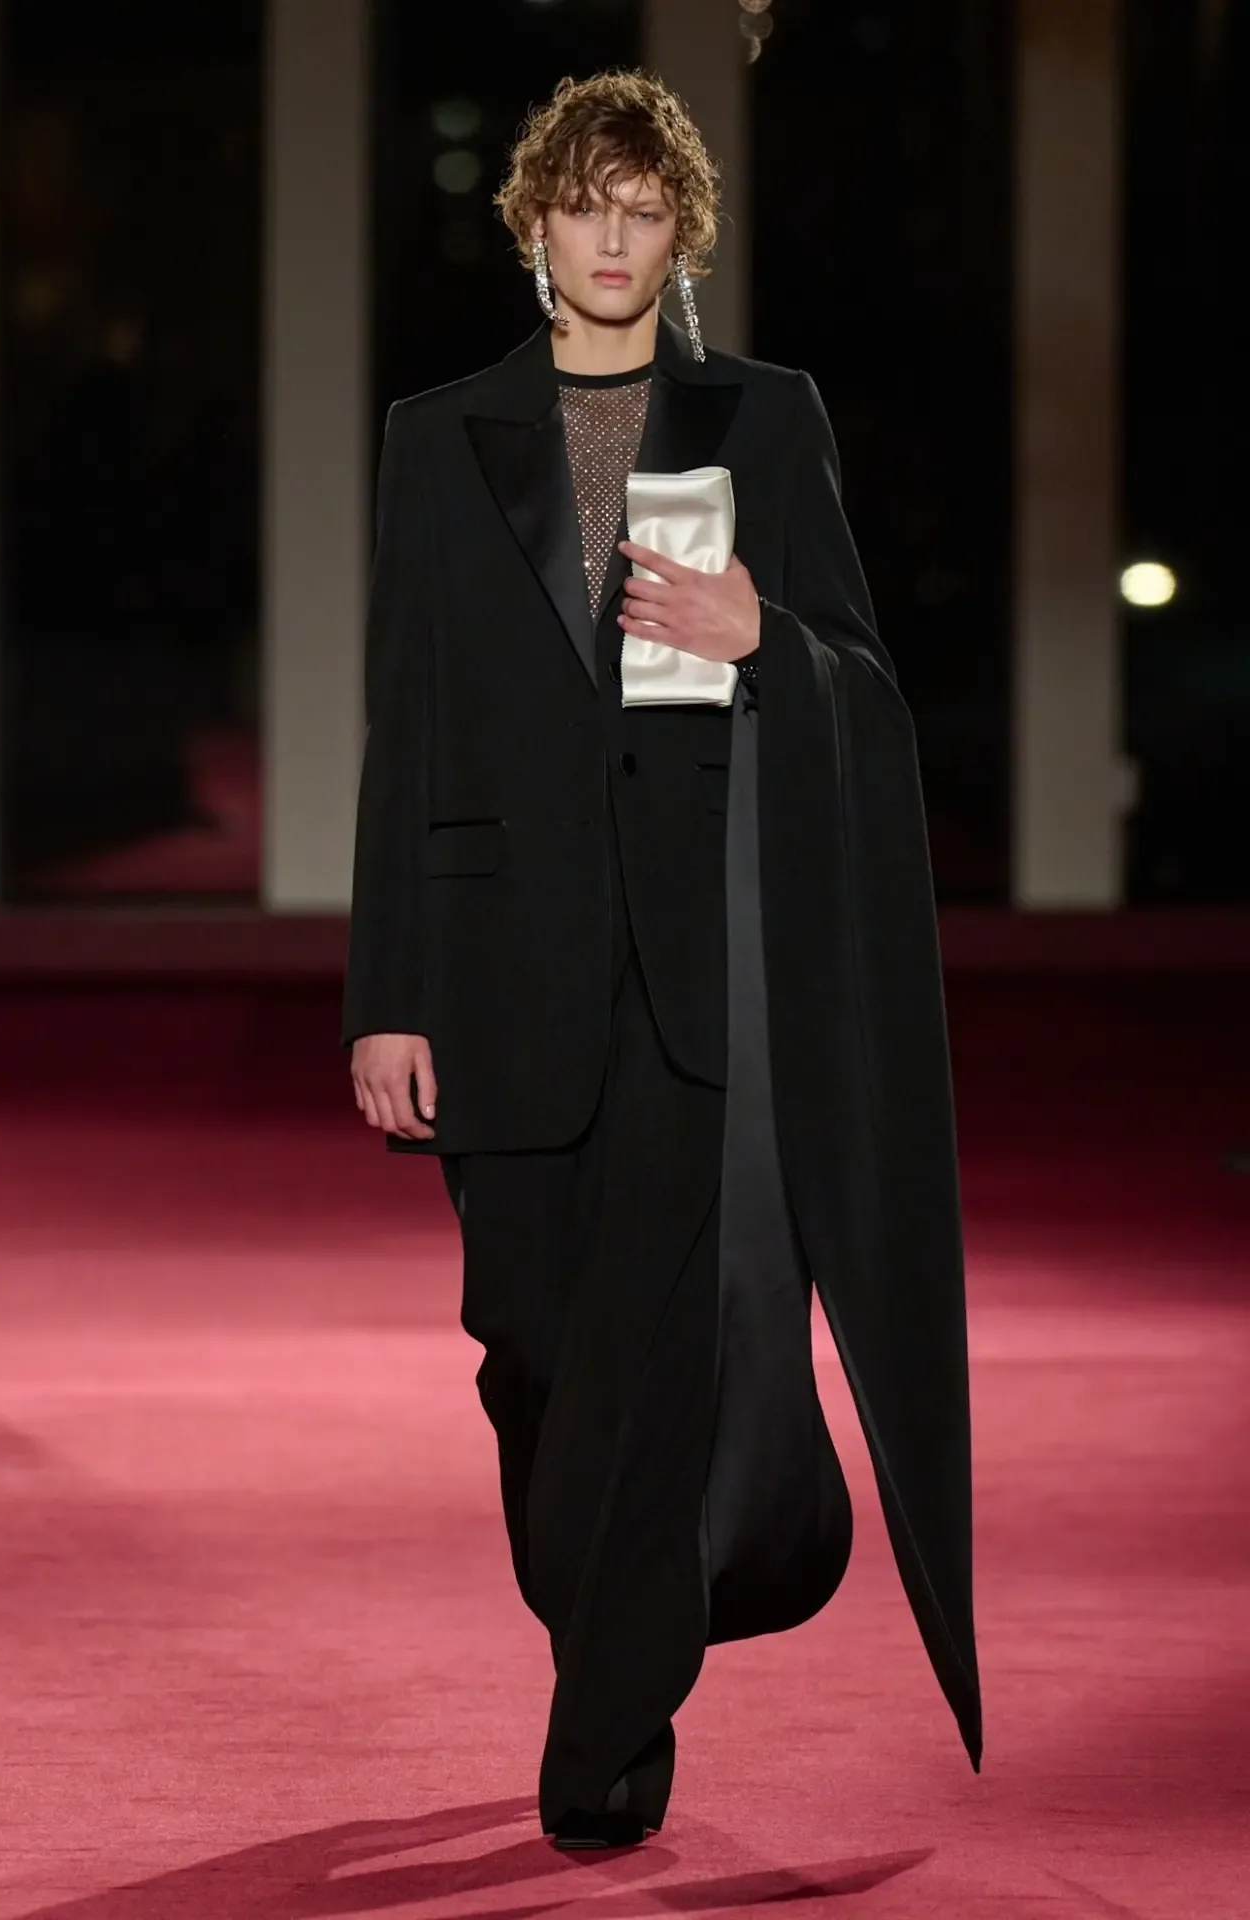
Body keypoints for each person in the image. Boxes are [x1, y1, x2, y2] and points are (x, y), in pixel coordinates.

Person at [344, 70, 981, 1850]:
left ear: (679, 231)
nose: (613, 240)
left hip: (708, 972)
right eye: (585, 207)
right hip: (498, 971)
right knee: (532, 1355)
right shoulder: (438, 434)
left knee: (646, 1353)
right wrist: (385, 995)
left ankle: (606, 1730)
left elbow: (863, 686)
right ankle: (619, 1620)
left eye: (644, 211)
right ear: (534, 224)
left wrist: (761, 629)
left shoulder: (763, 417)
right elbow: (408, 725)